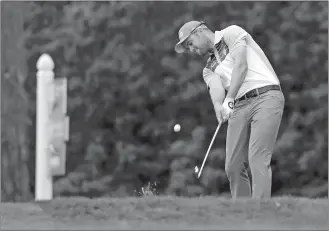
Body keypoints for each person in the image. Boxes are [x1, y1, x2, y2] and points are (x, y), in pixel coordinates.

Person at [174, 21, 285, 199]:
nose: (191, 50)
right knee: (232, 165)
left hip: (266, 95)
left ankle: (260, 211)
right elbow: (216, 89)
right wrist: (219, 106)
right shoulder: (208, 69)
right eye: (188, 48)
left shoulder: (231, 33)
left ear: (200, 31)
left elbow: (241, 66)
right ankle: (242, 214)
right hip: (239, 106)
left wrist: (230, 97)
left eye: (190, 43)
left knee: (257, 157)